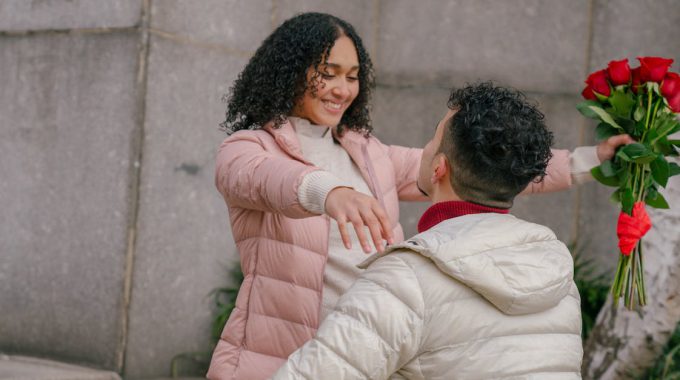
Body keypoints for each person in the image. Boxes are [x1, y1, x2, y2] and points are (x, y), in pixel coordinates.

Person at [207, 12, 630, 380]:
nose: (342, 89)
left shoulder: (369, 153)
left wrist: (589, 160)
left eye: (352, 77)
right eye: (328, 72)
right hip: (275, 360)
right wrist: (329, 192)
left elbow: (485, 165)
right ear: (290, 71)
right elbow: (262, 179)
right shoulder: (250, 147)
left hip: (367, 355)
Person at [272, 83, 583, 379]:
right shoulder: (559, 278)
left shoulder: (406, 279)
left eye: (433, 140)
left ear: (439, 168)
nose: (425, 149)